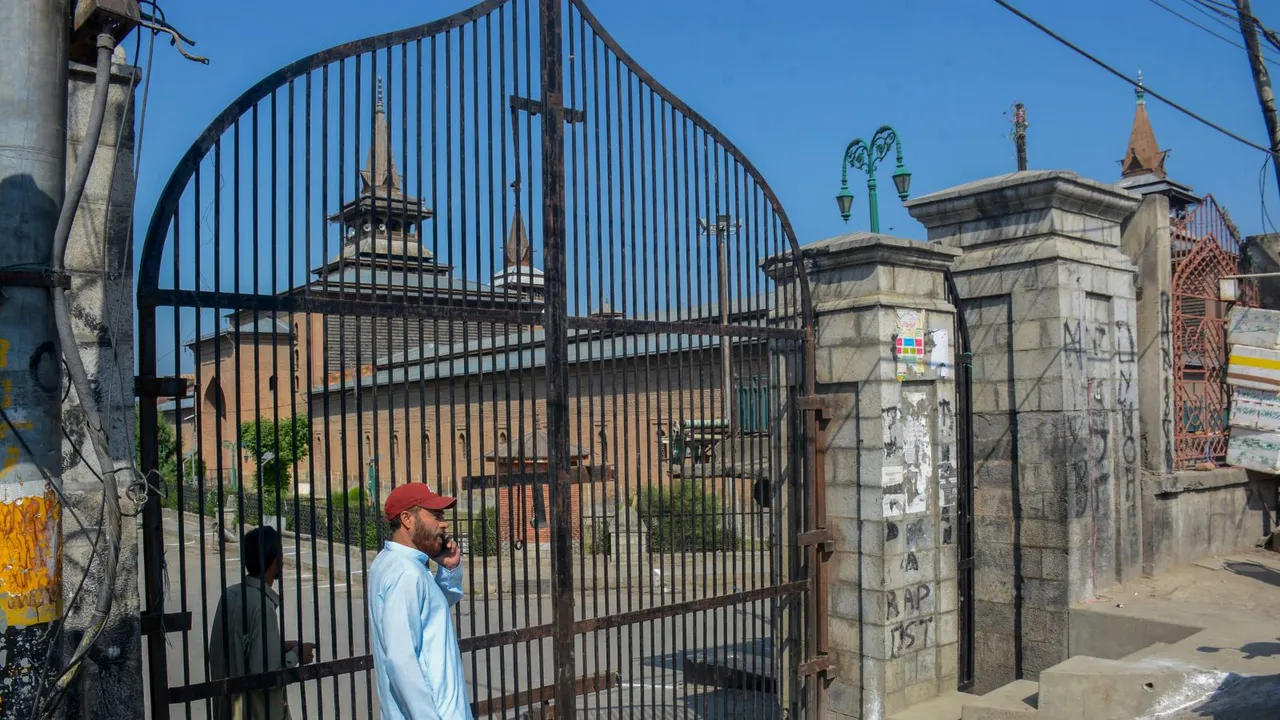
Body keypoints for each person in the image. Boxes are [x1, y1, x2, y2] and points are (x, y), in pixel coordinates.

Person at [368, 483, 469, 720]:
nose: (443, 522)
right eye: (435, 515)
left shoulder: (392, 563)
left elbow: (432, 609)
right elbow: (401, 660)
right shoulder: (406, 574)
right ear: (407, 519)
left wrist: (449, 569)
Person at [209, 526, 316, 720]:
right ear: (275, 560)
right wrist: (296, 654)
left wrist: (277, 647)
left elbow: (230, 650)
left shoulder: (230, 595)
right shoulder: (262, 606)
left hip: (229, 710)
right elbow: (263, 676)